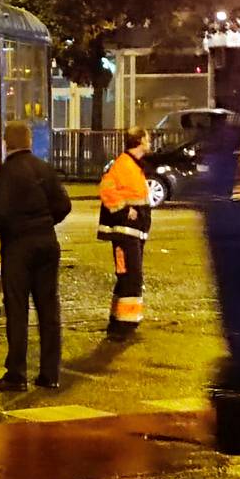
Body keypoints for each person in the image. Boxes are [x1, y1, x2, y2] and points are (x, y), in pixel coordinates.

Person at [0, 121, 72, 392]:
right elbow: (64, 205)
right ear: (29, 142)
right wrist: (45, 222)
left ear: (7, 143)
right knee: (49, 310)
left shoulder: (4, 174)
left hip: (18, 247)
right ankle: (50, 374)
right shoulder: (44, 169)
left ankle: (17, 374)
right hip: (46, 243)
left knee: (18, 311)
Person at [97, 126, 152, 341]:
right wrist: (123, 209)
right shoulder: (124, 165)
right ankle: (124, 326)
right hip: (124, 233)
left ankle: (119, 321)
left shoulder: (133, 165)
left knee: (127, 278)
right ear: (139, 141)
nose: (149, 143)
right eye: (147, 139)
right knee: (131, 277)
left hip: (132, 233)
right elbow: (106, 189)